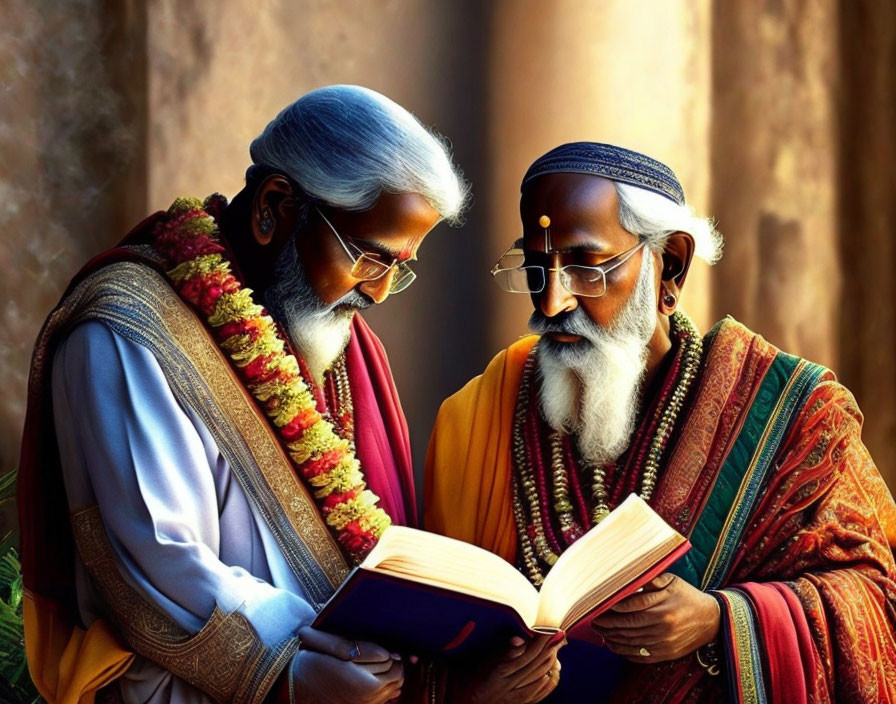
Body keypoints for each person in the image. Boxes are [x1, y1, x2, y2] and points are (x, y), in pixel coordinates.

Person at [18, 85, 467, 704]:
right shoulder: (129, 329)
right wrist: (291, 674)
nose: (381, 293)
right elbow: (159, 555)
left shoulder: (344, 344)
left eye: (399, 267)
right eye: (368, 257)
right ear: (274, 206)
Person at [425, 142, 896, 702]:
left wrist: (721, 619)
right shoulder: (478, 413)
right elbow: (431, 634)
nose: (551, 302)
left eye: (585, 265)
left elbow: (875, 599)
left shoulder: (793, 413)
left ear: (669, 263)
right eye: (535, 266)